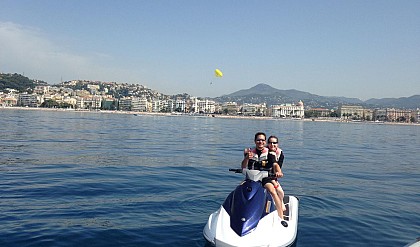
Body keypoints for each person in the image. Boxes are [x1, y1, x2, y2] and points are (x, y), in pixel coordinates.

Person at [241, 132, 285, 219]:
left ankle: (281, 216)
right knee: (240, 189)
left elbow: (275, 164)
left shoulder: (270, 153)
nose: (260, 142)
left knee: (272, 191)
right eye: (258, 140)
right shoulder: (249, 151)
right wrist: (246, 158)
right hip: (251, 177)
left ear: (265, 142)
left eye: (262, 140)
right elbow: (243, 166)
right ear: (255, 141)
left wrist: (279, 172)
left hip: (265, 177)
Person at [267, 135, 286, 213]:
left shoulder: (280, 153)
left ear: (277, 144)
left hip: (272, 176)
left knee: (280, 191)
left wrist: (278, 173)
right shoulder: (265, 152)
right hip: (262, 175)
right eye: (270, 142)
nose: (272, 144)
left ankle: (280, 203)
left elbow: (277, 165)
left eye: (274, 143)